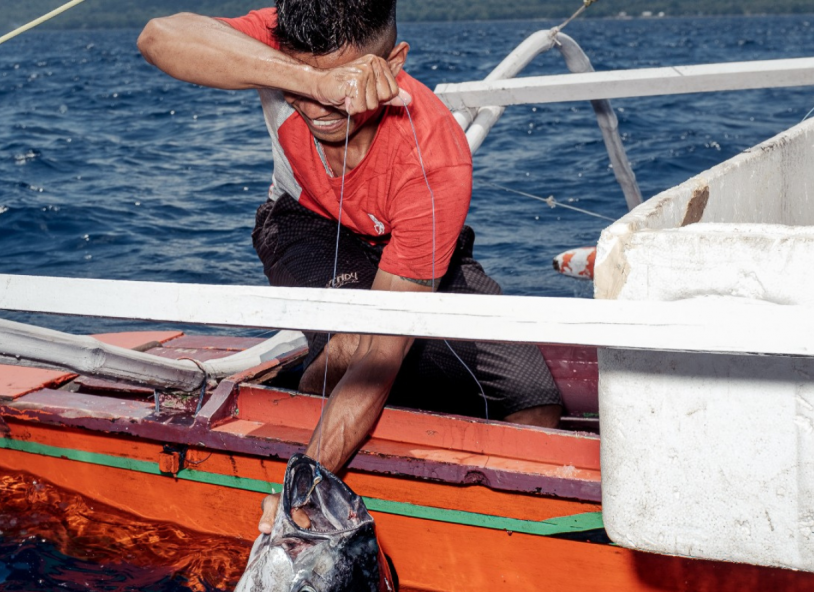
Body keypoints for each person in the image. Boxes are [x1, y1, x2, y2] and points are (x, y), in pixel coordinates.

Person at [138, 0, 563, 532]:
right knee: (349, 343)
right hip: (303, 221)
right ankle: (310, 388)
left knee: (537, 401)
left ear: (395, 63)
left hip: (402, 236)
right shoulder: (287, 37)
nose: (318, 111)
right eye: (308, 89)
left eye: (342, 86)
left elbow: (383, 351)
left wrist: (308, 480)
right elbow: (159, 36)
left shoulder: (436, 163)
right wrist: (314, 80)